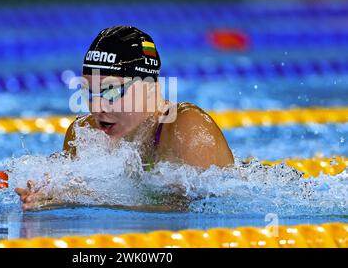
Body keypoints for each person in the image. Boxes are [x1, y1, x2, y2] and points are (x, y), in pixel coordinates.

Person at [16, 26, 234, 210]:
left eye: (111, 91)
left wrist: (77, 197)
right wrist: (45, 191)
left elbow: (195, 212)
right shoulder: (84, 132)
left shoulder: (186, 128)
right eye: (90, 92)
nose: (98, 106)